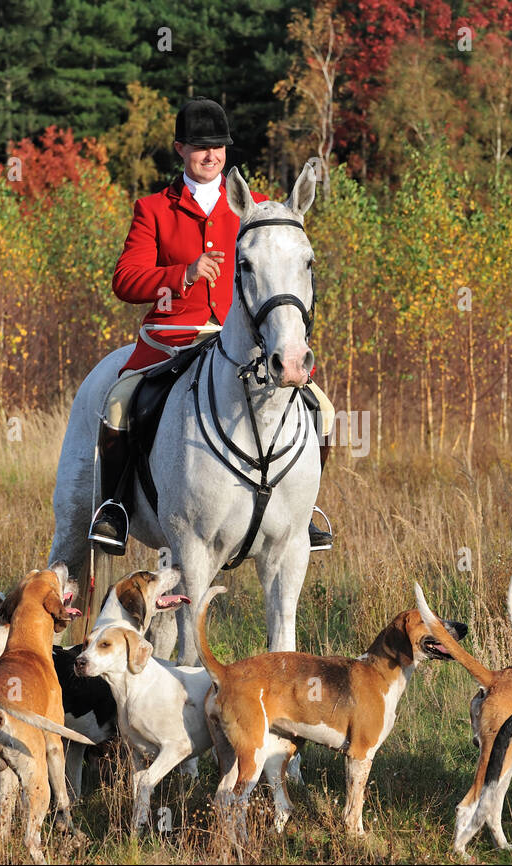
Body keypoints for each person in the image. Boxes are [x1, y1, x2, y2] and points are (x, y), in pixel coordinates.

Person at [88, 96, 336, 555]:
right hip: (172, 341)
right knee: (121, 401)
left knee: (322, 409)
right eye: (201, 146)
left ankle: (305, 514)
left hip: (244, 344)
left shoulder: (258, 208)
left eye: (219, 147)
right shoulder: (154, 209)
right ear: (180, 149)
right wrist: (181, 274)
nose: (211, 155)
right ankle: (115, 509)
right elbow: (125, 280)